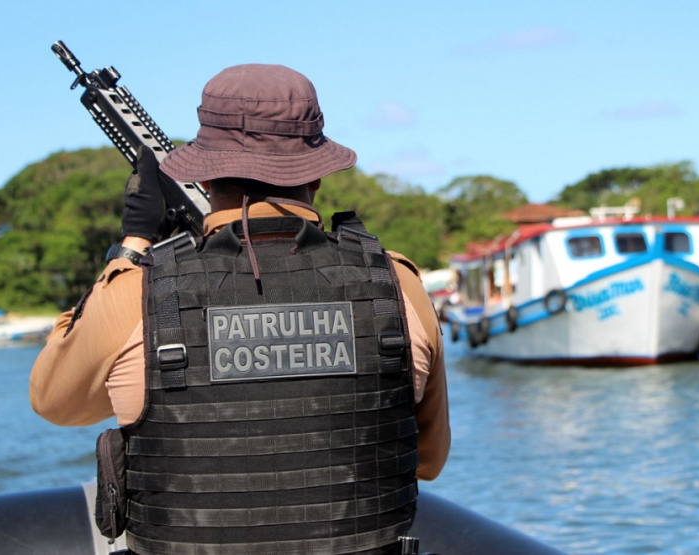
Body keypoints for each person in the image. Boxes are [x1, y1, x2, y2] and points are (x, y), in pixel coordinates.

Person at [30, 63, 450, 554]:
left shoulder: (138, 292)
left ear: (206, 177)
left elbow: (54, 402)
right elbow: (427, 459)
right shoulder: (396, 284)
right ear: (315, 172)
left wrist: (132, 247)